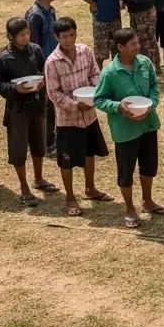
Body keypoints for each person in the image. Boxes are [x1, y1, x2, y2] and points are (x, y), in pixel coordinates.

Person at [94, 27, 164, 228]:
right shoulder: (110, 72)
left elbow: (154, 87)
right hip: (125, 130)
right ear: (120, 47)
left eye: (137, 43)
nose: (138, 47)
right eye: (133, 44)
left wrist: (151, 104)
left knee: (149, 165)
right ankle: (129, 208)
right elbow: (99, 99)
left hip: (148, 124)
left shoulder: (144, 63)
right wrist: (118, 107)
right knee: (126, 171)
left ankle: (147, 201)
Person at [44, 16, 111, 215]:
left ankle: (90, 188)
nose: (68, 40)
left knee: (90, 153)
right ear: (57, 37)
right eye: (64, 37)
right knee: (67, 159)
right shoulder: (52, 62)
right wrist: (74, 105)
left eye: (71, 35)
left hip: (89, 114)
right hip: (67, 119)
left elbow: (95, 73)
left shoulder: (84, 51)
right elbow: (53, 93)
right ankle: (70, 197)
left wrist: (93, 91)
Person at [0, 17, 56, 206]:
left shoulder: (35, 50)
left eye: (27, 33)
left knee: (38, 144)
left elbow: (44, 69)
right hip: (17, 109)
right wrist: (14, 89)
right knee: (19, 149)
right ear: (11, 36)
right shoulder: (4, 57)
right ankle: (24, 187)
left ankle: (39, 178)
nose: (26, 37)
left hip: (36, 104)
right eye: (21, 35)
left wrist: (43, 81)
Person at [25, 0, 58, 156]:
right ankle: (45, 142)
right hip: (42, 67)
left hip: (53, 64)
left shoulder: (50, 11)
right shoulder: (35, 16)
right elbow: (33, 46)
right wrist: (40, 72)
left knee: (53, 103)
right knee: (45, 106)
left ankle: (51, 138)